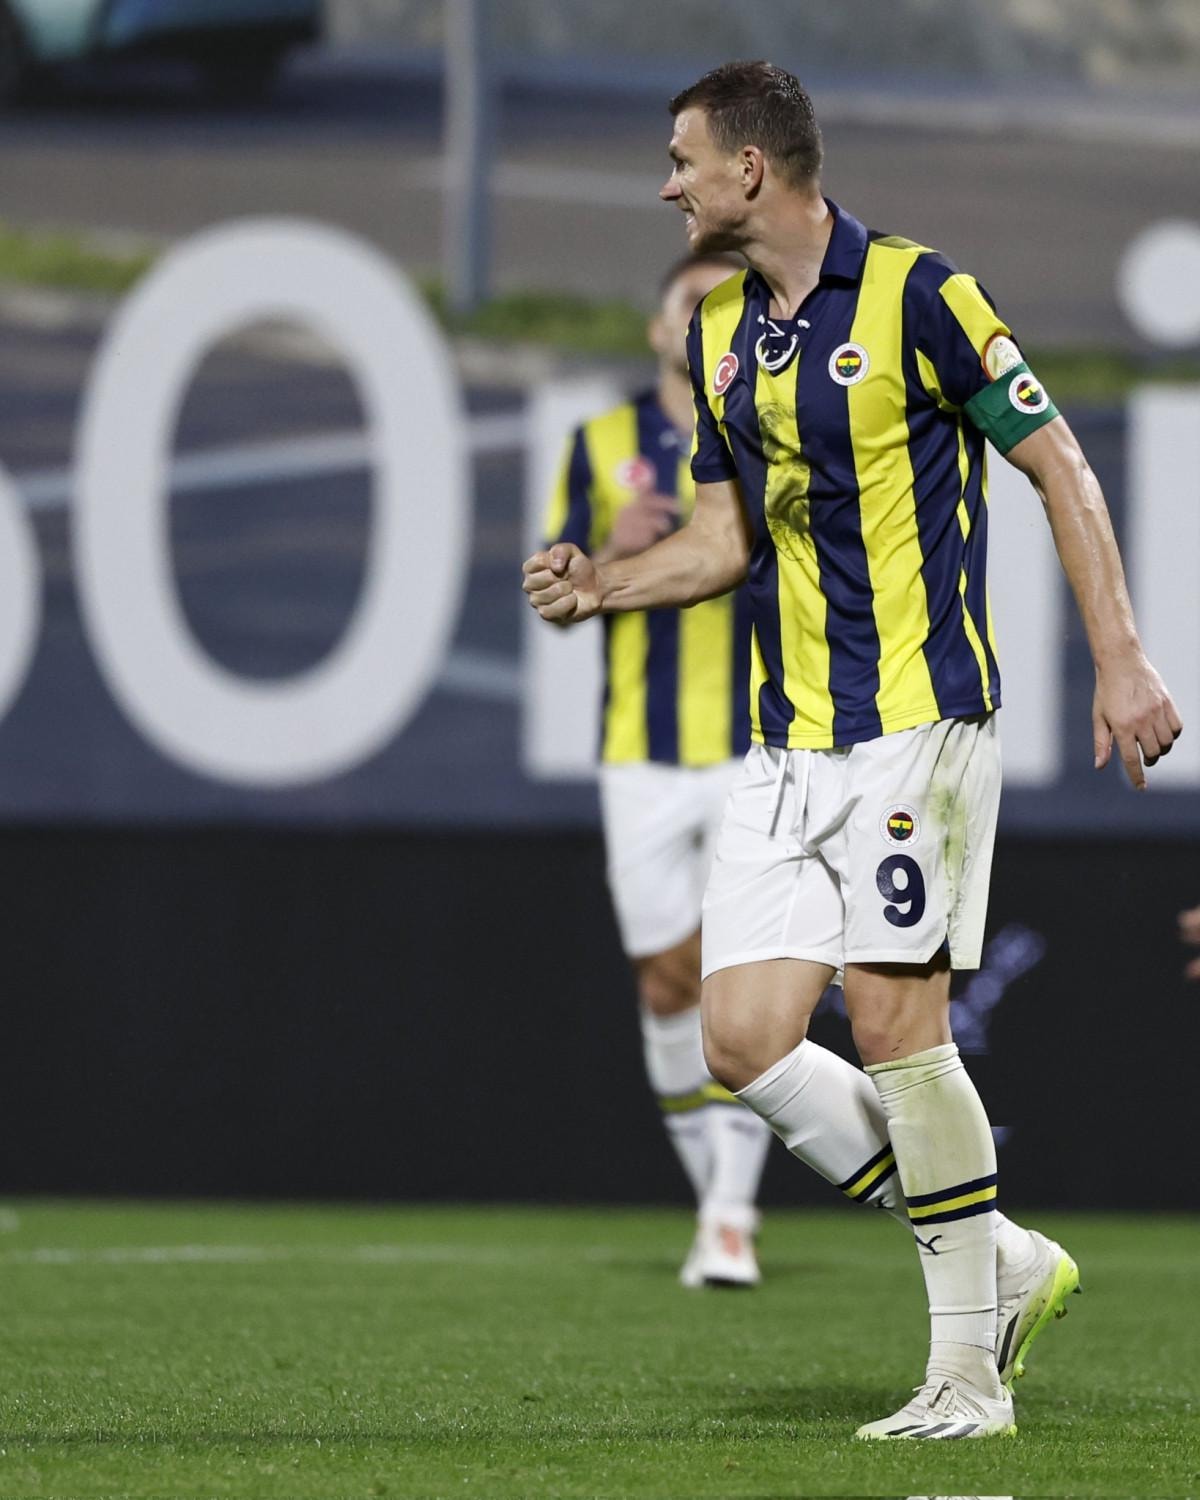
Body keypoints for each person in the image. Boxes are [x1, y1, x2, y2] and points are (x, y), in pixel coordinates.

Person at [525, 60, 1181, 1440]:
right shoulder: (718, 335)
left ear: (750, 169)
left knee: (895, 1031)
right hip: (787, 744)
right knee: (740, 1042)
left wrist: (1121, 655)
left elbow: (1059, 463)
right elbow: (724, 539)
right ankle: (1002, 1259)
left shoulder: (924, 297)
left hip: (918, 728)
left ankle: (967, 1379)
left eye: (683, 160)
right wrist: (606, 588)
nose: (668, 185)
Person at [544, 252, 773, 1288]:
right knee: (665, 979)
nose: (702, 320)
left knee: (738, 975)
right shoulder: (599, 443)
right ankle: (714, 1198)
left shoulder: (773, 428)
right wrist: (601, 550)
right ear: (656, 327)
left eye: (724, 305)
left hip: (753, 744)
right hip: (638, 752)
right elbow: (555, 592)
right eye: (690, 304)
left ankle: (730, 1215)